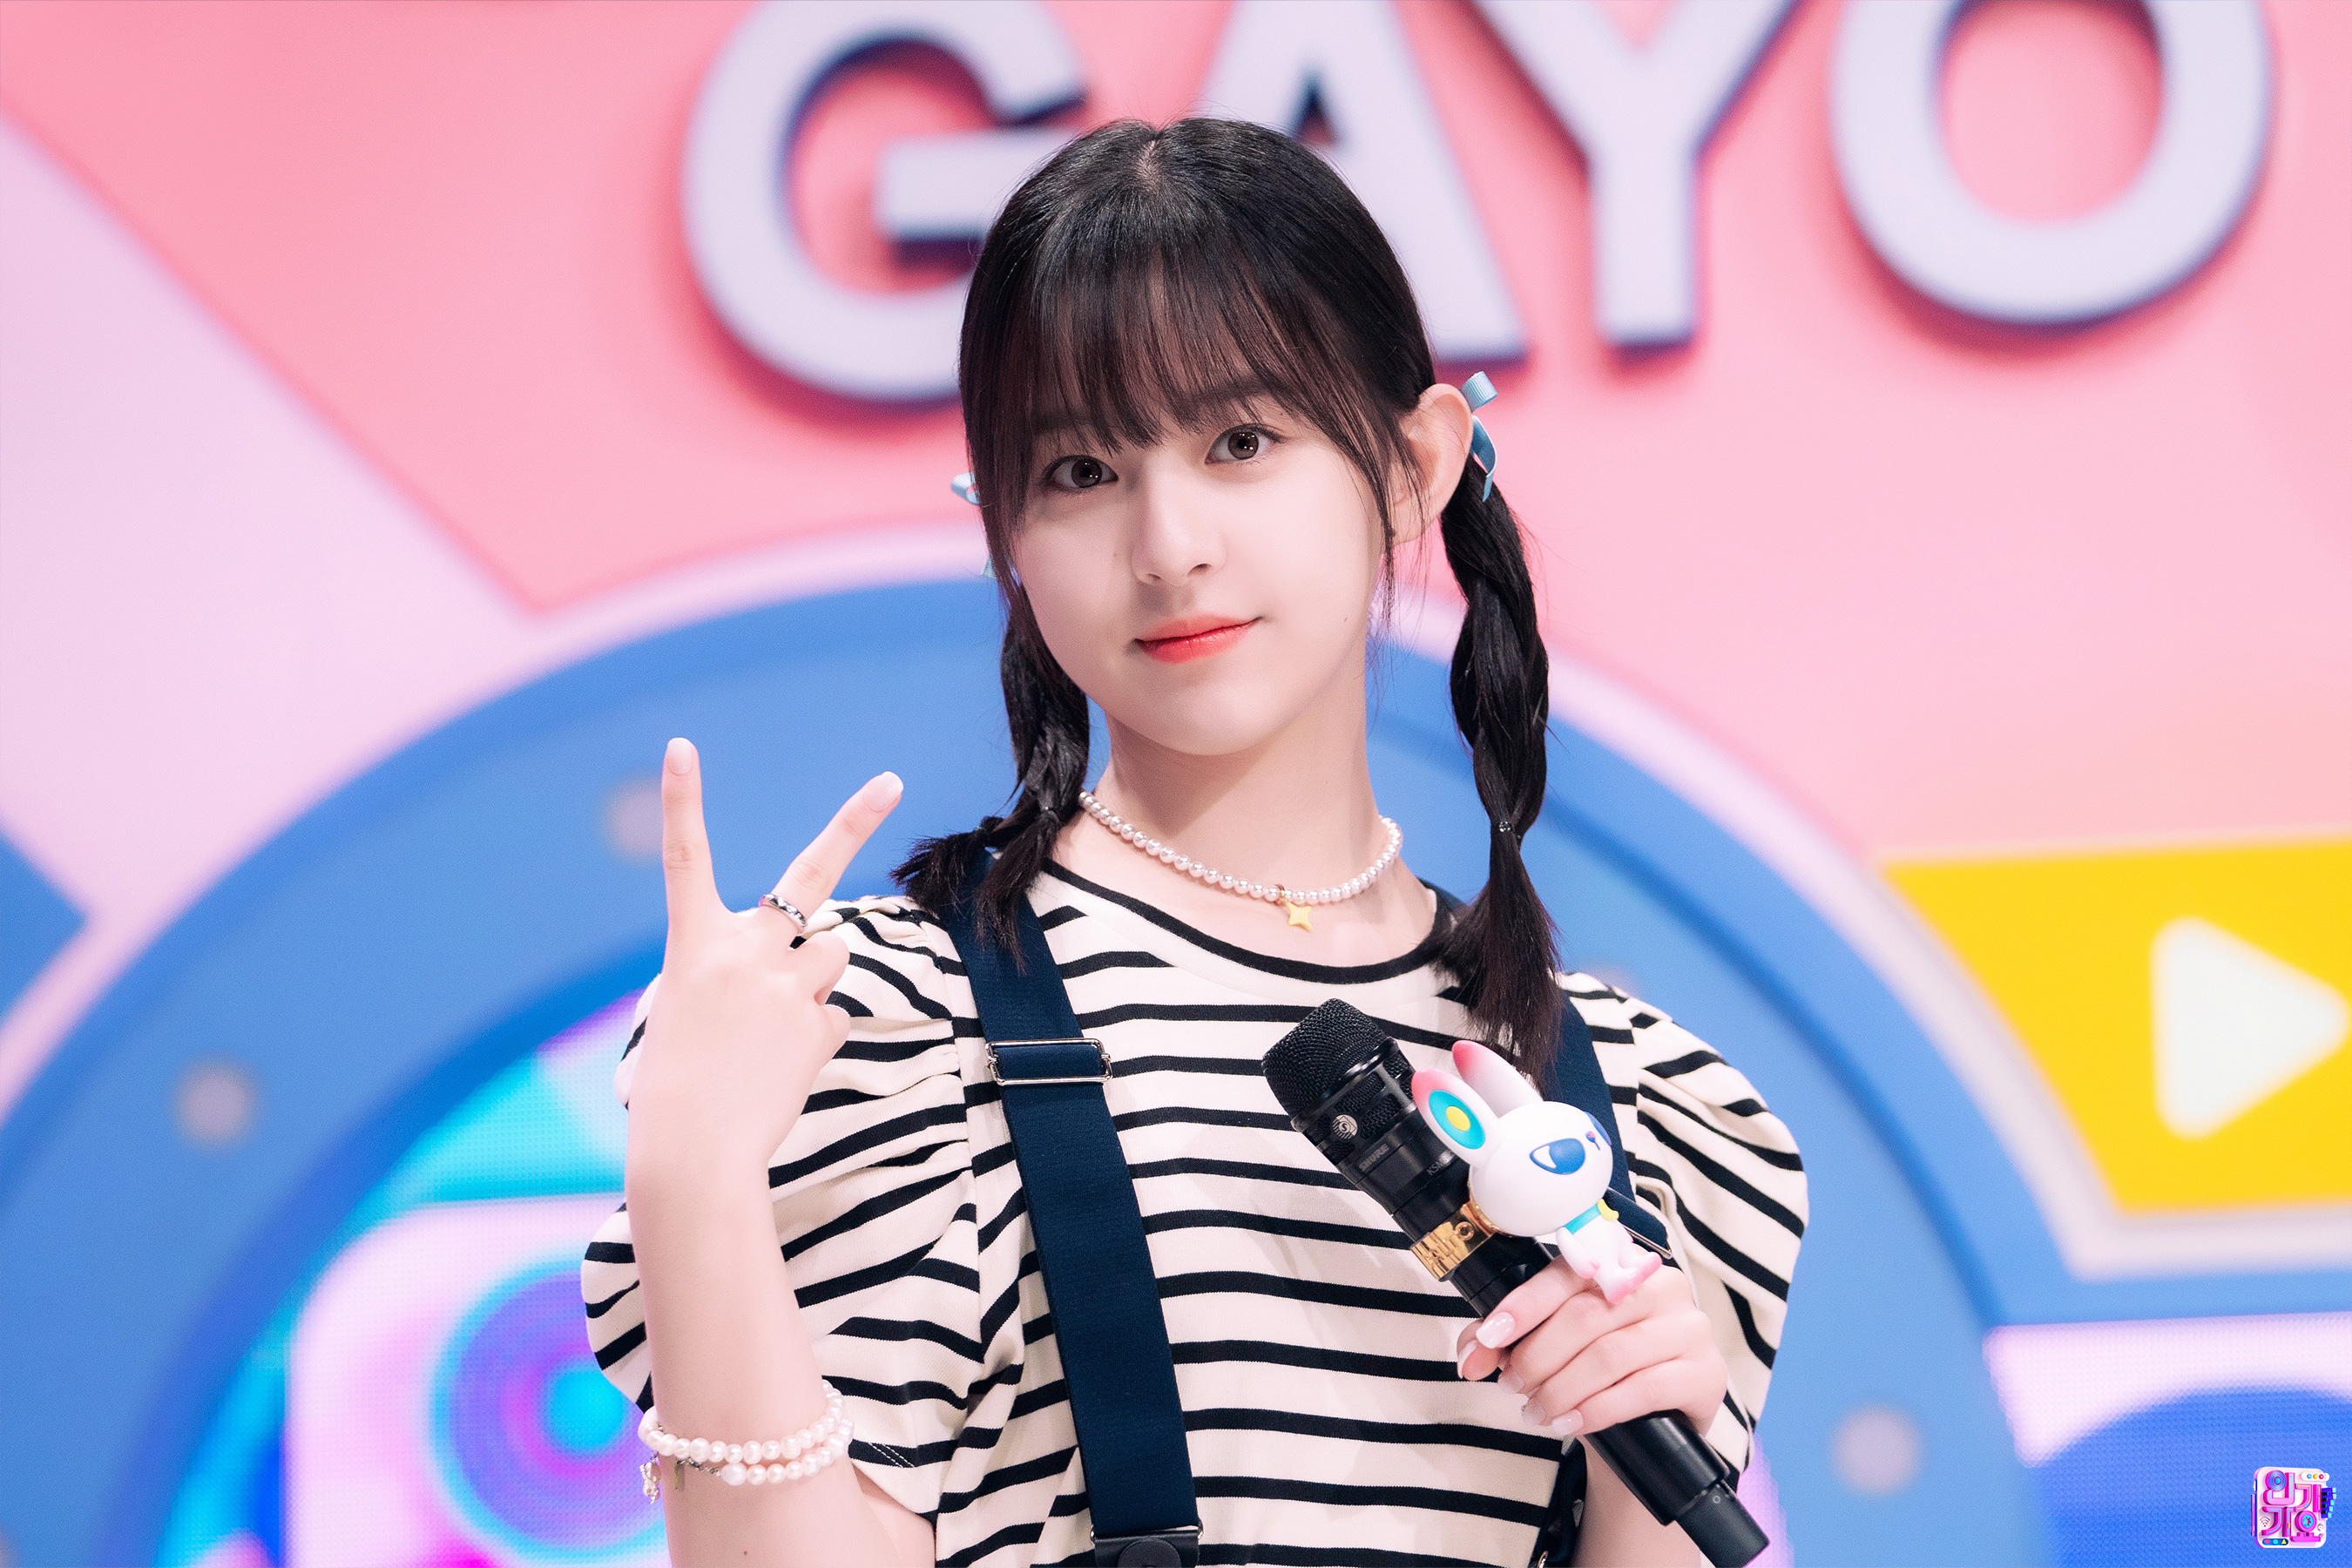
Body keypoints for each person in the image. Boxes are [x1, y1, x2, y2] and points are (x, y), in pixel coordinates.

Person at [583, 117, 1806, 1568]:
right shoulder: (884, 1025)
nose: (1170, 546)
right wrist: (696, 1187)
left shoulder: (1646, 1104)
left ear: (1411, 465)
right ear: (1006, 532)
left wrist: (1647, 1449)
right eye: (1079, 471)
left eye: (1241, 442)